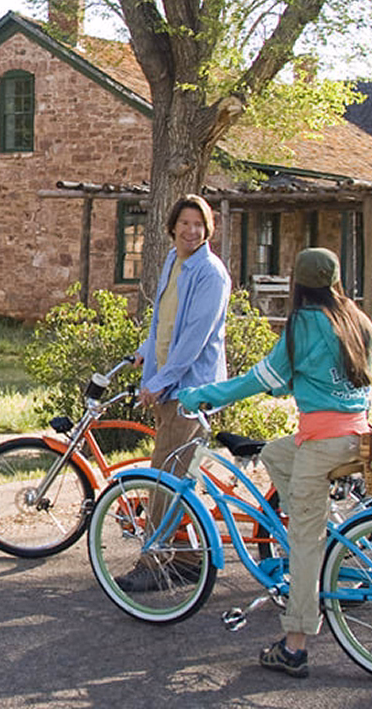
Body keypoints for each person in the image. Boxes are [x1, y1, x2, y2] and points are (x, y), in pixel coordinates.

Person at [175, 247, 372, 680]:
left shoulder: (303, 323)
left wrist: (204, 394)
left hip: (323, 444)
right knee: (275, 452)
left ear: (298, 284)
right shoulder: (355, 319)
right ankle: (311, 517)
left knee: (305, 545)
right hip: (356, 437)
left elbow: (259, 378)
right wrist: (292, 385)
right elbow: (331, 374)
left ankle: (295, 645)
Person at [116, 194, 230, 590]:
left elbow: (195, 338)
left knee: (165, 478)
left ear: (208, 228)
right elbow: (165, 322)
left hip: (191, 391)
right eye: (184, 223)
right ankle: (185, 559)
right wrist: (145, 355)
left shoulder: (210, 273)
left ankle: (155, 563)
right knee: (177, 477)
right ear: (172, 227)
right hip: (168, 386)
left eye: (198, 224)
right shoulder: (172, 262)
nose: (191, 230)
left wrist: (160, 382)